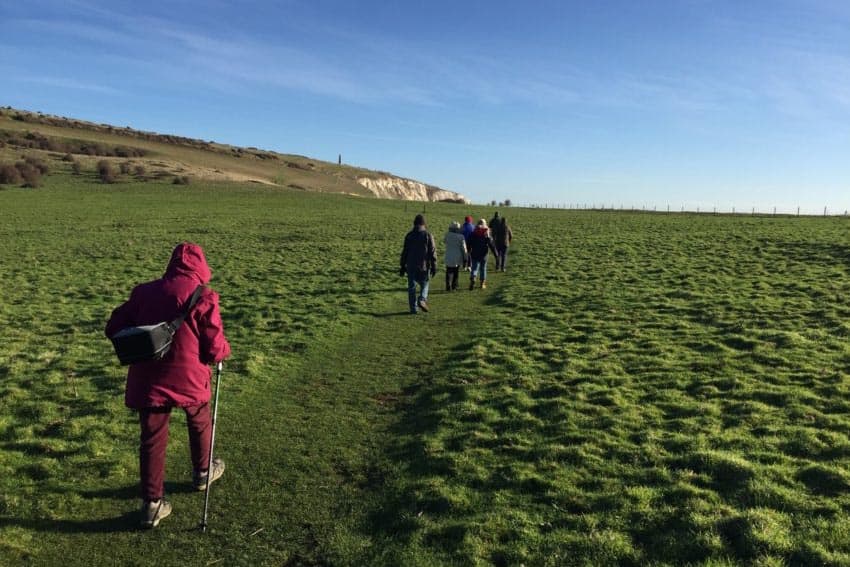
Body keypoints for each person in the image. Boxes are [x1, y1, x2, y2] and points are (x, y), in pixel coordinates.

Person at [105, 242, 231, 529]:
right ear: (201, 266)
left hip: (148, 380)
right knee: (200, 422)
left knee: (152, 439)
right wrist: (224, 351)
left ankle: (151, 505)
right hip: (190, 378)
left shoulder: (143, 292)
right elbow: (213, 348)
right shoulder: (205, 296)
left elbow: (113, 327)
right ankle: (202, 472)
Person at [400, 214, 437, 313]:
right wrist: (434, 266)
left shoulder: (409, 235)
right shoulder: (428, 235)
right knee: (425, 284)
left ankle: (413, 309)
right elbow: (432, 251)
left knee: (411, 288)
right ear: (424, 223)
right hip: (423, 265)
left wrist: (402, 265)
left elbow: (405, 251)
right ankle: (422, 299)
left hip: (411, 265)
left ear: (414, 223)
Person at [467, 219, 498, 290]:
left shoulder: (474, 232)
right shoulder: (486, 233)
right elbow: (491, 244)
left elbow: (469, 242)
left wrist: (468, 250)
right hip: (484, 254)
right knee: (483, 268)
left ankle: (473, 278)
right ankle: (482, 283)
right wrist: (496, 254)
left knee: (474, 268)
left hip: (474, 253)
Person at [443, 220, 468, 291]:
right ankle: (454, 286)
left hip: (449, 254)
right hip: (457, 255)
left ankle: (448, 285)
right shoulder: (461, 237)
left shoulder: (447, 235)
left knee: (448, 271)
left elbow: (444, 241)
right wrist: (465, 257)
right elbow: (464, 248)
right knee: (456, 271)